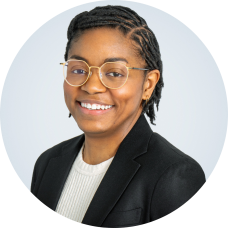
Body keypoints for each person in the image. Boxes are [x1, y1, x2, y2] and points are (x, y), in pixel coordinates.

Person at [30, 5, 206, 226]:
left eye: (114, 73)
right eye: (78, 70)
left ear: (148, 85)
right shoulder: (48, 163)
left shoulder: (175, 175)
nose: (91, 86)